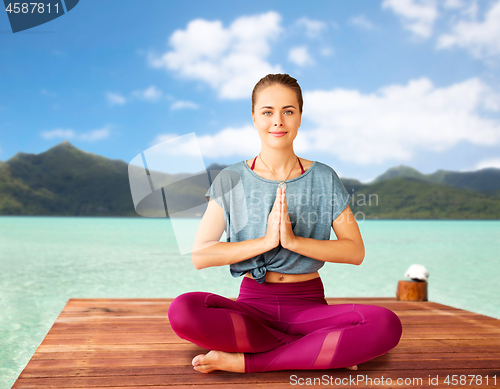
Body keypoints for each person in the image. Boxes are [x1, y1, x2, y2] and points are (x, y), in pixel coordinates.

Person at [167, 74, 403, 374]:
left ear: (300, 117)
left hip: (309, 307)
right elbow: (201, 255)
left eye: (288, 111)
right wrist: (266, 242)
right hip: (252, 307)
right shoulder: (230, 179)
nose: (277, 121)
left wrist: (293, 242)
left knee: (385, 324)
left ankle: (252, 360)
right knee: (183, 310)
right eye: (267, 112)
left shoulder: (323, 177)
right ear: (254, 117)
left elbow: (355, 251)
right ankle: (318, 348)